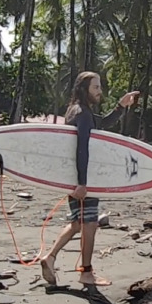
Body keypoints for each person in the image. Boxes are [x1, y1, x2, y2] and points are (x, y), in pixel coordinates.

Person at [39, 72, 140, 287]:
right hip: (83, 178)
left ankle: (50, 257)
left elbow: (100, 124)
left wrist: (120, 107)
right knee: (90, 224)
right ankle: (86, 272)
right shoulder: (83, 114)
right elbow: (82, 149)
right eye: (96, 87)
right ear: (84, 89)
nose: (100, 91)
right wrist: (83, 183)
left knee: (77, 223)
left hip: (73, 177)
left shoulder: (75, 111)